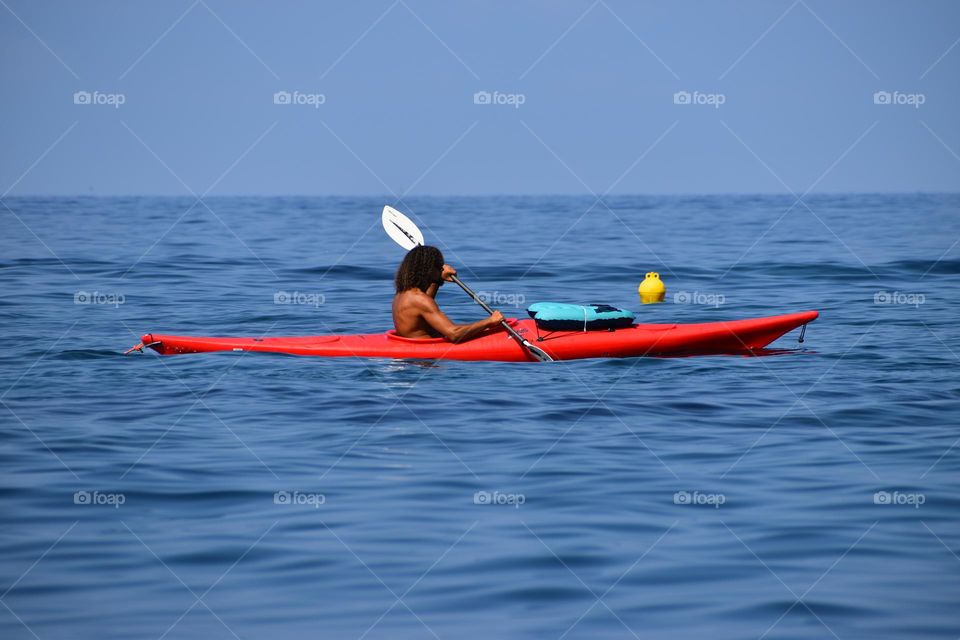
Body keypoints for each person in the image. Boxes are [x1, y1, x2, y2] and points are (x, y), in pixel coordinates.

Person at [392, 245, 503, 341]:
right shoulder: (419, 299)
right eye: (439, 266)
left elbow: (424, 307)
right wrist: (489, 321)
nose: (442, 269)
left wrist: (438, 280)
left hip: (416, 356)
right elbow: (454, 334)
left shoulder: (403, 294)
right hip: (426, 360)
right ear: (429, 269)